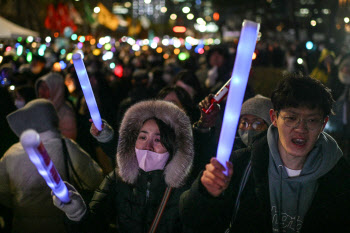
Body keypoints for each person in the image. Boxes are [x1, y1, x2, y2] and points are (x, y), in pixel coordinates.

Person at [180, 74, 350, 232]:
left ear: (323, 123)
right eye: (291, 118)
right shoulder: (240, 165)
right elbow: (194, 222)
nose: (301, 129)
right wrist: (205, 193)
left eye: (312, 120)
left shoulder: (339, 175)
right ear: (274, 118)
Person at [52, 100, 194, 233]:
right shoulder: (118, 177)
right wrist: (78, 213)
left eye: (158, 139)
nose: (148, 146)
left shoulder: (184, 187)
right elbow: (95, 223)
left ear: (173, 145)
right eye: (143, 137)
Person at [0, 99, 103, 233]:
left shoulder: (11, 153)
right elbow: (95, 179)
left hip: (24, 226)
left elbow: (3, 194)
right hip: (62, 225)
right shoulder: (67, 146)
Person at [35, 72, 77, 140]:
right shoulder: (40, 108)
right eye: (40, 87)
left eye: (46, 87)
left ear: (56, 89)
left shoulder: (65, 113)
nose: (41, 91)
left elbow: (69, 141)